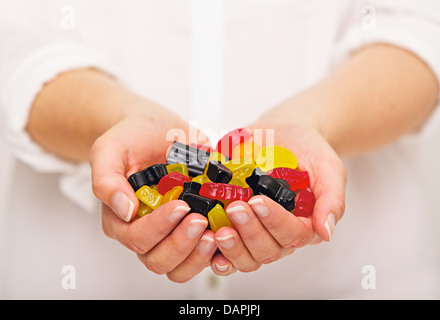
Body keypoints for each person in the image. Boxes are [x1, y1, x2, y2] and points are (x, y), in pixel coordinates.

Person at [0, 0, 439, 299]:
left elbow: (421, 26)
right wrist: (115, 119)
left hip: (359, 278)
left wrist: (311, 122)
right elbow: (16, 40)